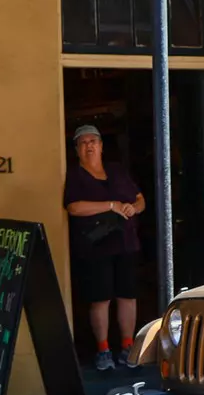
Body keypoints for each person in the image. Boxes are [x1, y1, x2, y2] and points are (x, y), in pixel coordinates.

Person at [62, 123, 145, 371]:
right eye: (83, 142)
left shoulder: (116, 170)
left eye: (93, 141)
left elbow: (140, 199)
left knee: (127, 295)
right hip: (96, 247)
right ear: (77, 149)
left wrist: (132, 208)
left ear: (101, 146)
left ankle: (128, 347)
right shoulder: (76, 175)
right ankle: (103, 350)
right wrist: (111, 205)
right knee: (100, 298)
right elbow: (74, 207)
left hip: (126, 242)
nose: (89, 146)